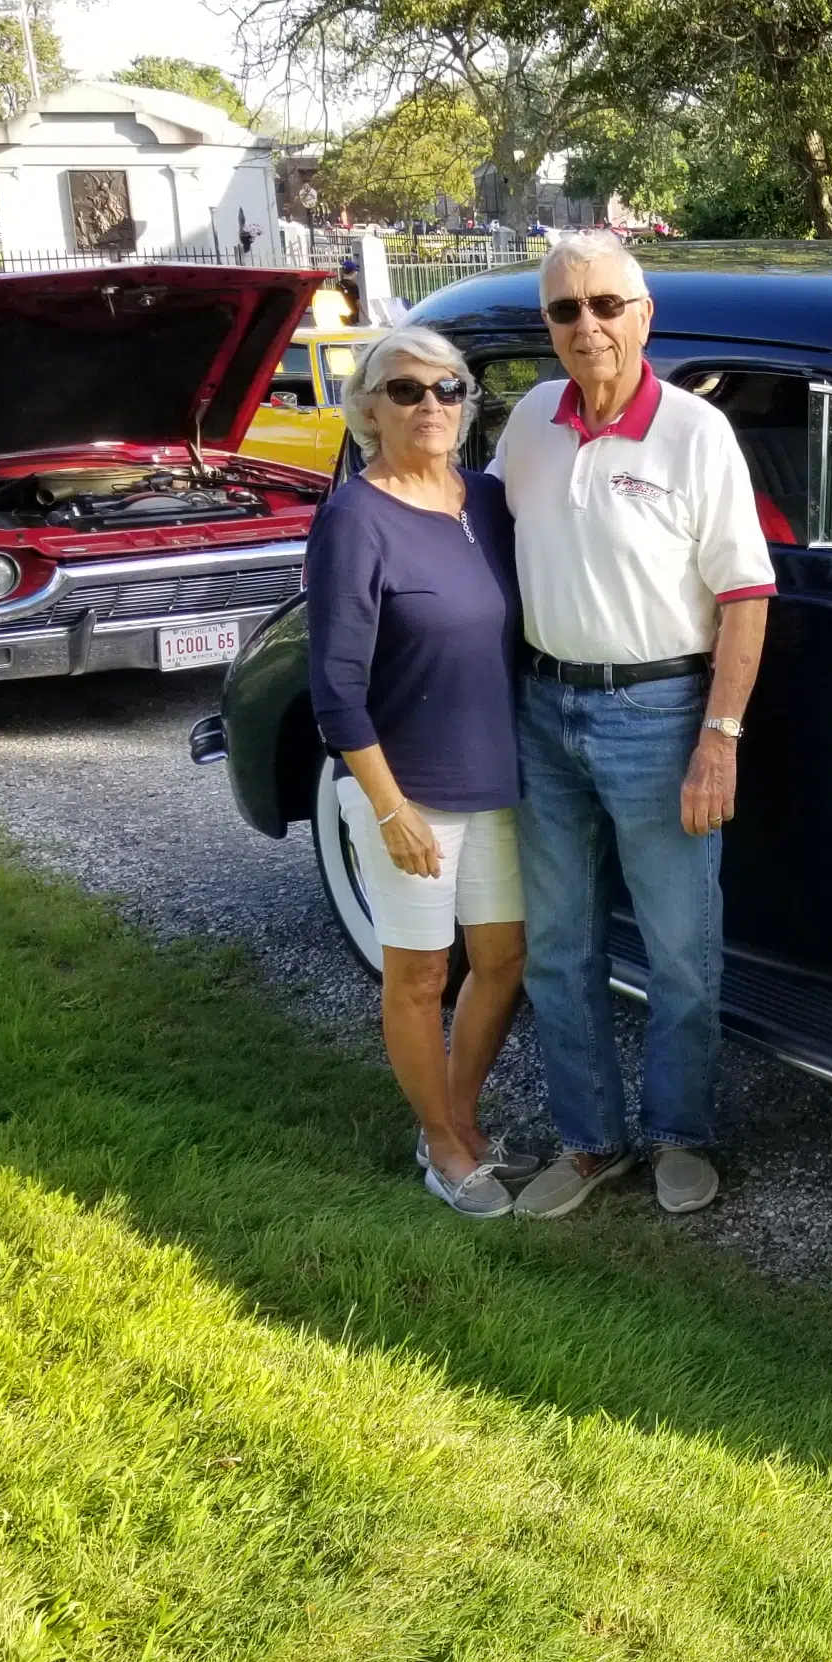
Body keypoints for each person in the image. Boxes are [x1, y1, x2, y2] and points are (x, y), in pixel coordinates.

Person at [494, 227, 775, 1219]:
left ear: (642, 315)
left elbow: (746, 593)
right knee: (560, 946)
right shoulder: (529, 422)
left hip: (661, 713)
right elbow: (479, 545)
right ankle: (588, 1142)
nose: (587, 326)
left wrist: (719, 737)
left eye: (606, 305)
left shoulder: (697, 435)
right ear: (550, 326)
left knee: (680, 946)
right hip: (544, 707)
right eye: (565, 310)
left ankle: (679, 1135)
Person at [303, 326, 529, 1218]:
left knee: (503, 960)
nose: (430, 405)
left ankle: (461, 1116)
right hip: (406, 791)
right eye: (405, 391)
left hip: (497, 782)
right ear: (368, 411)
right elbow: (334, 687)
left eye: (447, 389)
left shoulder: (490, 501)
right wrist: (389, 807)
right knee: (420, 975)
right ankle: (438, 1145)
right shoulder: (355, 519)